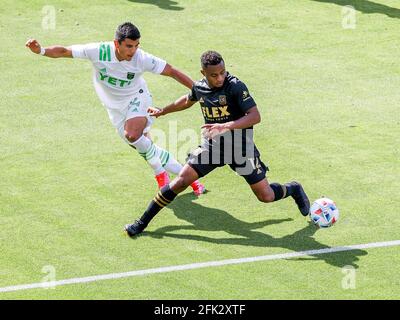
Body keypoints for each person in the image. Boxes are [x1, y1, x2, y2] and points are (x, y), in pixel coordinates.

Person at [124, 50, 310, 237]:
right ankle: (141, 223)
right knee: (181, 181)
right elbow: (188, 99)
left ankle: (293, 188)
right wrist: (163, 111)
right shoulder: (200, 87)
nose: (220, 78)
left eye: (222, 72)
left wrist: (226, 126)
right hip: (212, 147)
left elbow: (255, 116)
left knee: (266, 196)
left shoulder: (236, 87)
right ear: (203, 73)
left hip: (240, 149)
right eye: (214, 75)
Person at [25, 22, 205, 195]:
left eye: (136, 46)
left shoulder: (141, 58)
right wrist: (40, 50)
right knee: (145, 147)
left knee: (133, 135)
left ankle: (162, 177)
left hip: (137, 98)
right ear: (116, 43)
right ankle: (191, 179)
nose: (133, 51)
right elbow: (64, 51)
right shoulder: (98, 51)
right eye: (128, 46)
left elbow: (172, 71)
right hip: (114, 109)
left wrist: (200, 91)